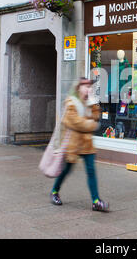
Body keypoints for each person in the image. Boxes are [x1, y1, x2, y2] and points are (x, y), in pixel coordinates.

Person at [50, 77, 109, 212]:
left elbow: (95, 117)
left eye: (89, 86)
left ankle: (96, 201)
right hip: (74, 143)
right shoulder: (71, 102)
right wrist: (90, 125)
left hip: (87, 143)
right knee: (66, 170)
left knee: (91, 171)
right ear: (78, 88)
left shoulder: (89, 102)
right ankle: (54, 191)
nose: (88, 89)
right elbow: (74, 122)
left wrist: (93, 103)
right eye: (85, 86)